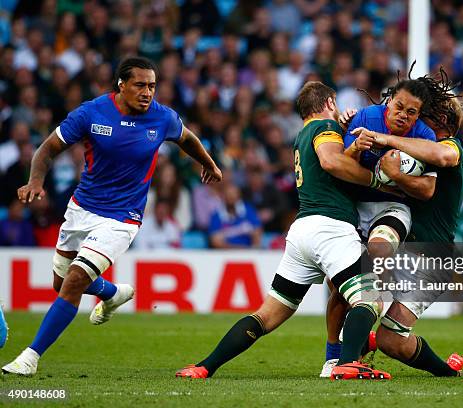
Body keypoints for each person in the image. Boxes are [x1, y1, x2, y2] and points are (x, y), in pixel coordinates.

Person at [2, 56, 222, 376]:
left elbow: (186, 137)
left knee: (75, 281)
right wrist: (35, 180)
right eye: (140, 85)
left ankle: (30, 357)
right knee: (60, 282)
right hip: (81, 209)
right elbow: (47, 148)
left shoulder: (162, 117)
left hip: (122, 217)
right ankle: (113, 293)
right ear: (121, 85)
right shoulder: (92, 113)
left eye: (152, 86)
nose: (148, 92)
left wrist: (208, 162)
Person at [176, 81, 392, 380]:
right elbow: (331, 161)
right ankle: (346, 363)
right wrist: (376, 180)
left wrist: (351, 139)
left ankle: (204, 366)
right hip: (330, 228)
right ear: (329, 102)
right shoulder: (324, 129)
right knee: (370, 299)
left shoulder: (301, 136)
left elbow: (331, 161)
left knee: (265, 316)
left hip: (302, 232)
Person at [320, 69, 454, 376]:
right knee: (338, 287)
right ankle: (333, 353)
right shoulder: (365, 117)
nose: (404, 116)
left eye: (412, 112)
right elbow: (340, 163)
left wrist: (396, 175)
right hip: (354, 207)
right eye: (399, 107)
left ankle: (381, 292)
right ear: (389, 101)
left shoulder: (424, 136)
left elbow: (427, 190)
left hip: (393, 207)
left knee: (378, 249)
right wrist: (355, 147)